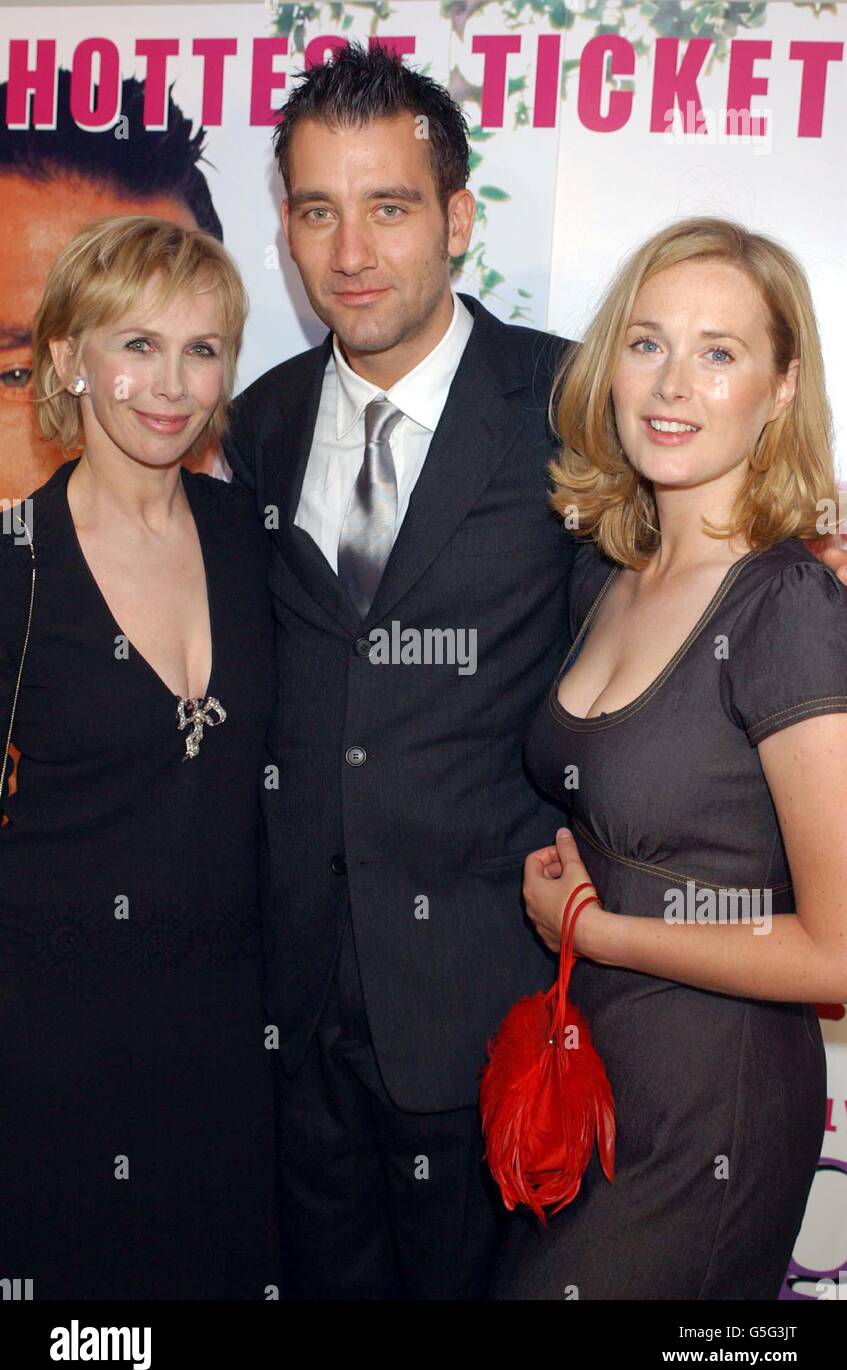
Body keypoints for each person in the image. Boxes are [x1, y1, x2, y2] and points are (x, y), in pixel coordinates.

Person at [223, 45, 847, 1299]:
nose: (352, 251)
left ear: (457, 217)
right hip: (296, 1007)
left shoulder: (575, 403)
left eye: (390, 206)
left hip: (500, 1022)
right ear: (282, 228)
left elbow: (715, 635)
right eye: (316, 210)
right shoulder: (261, 418)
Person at [489, 217, 847, 1300]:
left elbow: (836, 954)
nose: (671, 383)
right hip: (588, 1078)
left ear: (782, 388)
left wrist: (600, 929)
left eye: (718, 351)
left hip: (711, 1104)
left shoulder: (787, 606)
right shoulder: (610, 571)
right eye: (646, 343)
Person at [0, 215, 279, 1299]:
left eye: (201, 349)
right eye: (135, 344)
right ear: (68, 358)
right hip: (50, 1047)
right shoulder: (13, 566)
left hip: (229, 1046)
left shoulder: (258, 543)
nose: (171, 383)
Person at [0, 70, 225, 501]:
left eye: (198, 348)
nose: (165, 393)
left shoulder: (248, 540)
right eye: (18, 374)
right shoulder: (17, 559)